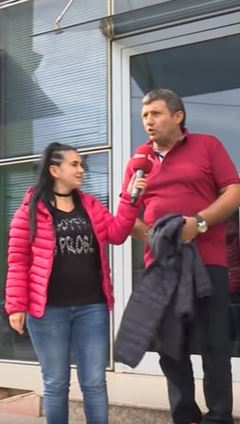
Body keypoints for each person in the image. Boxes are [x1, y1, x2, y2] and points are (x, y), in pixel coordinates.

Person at [123, 88, 240, 424]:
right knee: (170, 346)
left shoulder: (208, 145)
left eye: (156, 114)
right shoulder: (139, 160)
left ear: (178, 116)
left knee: (214, 343)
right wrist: (153, 235)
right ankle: (185, 416)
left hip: (208, 261)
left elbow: (235, 193)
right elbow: (127, 213)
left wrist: (199, 223)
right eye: (144, 115)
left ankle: (219, 416)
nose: (148, 121)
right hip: (162, 266)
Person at [5, 142, 145, 424]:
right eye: (74, 164)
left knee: (94, 382)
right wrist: (16, 306)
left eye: (82, 164)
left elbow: (117, 234)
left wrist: (130, 200)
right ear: (54, 170)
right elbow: (18, 261)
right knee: (56, 383)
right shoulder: (29, 211)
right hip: (48, 311)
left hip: (91, 307)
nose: (81, 169)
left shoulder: (90, 205)